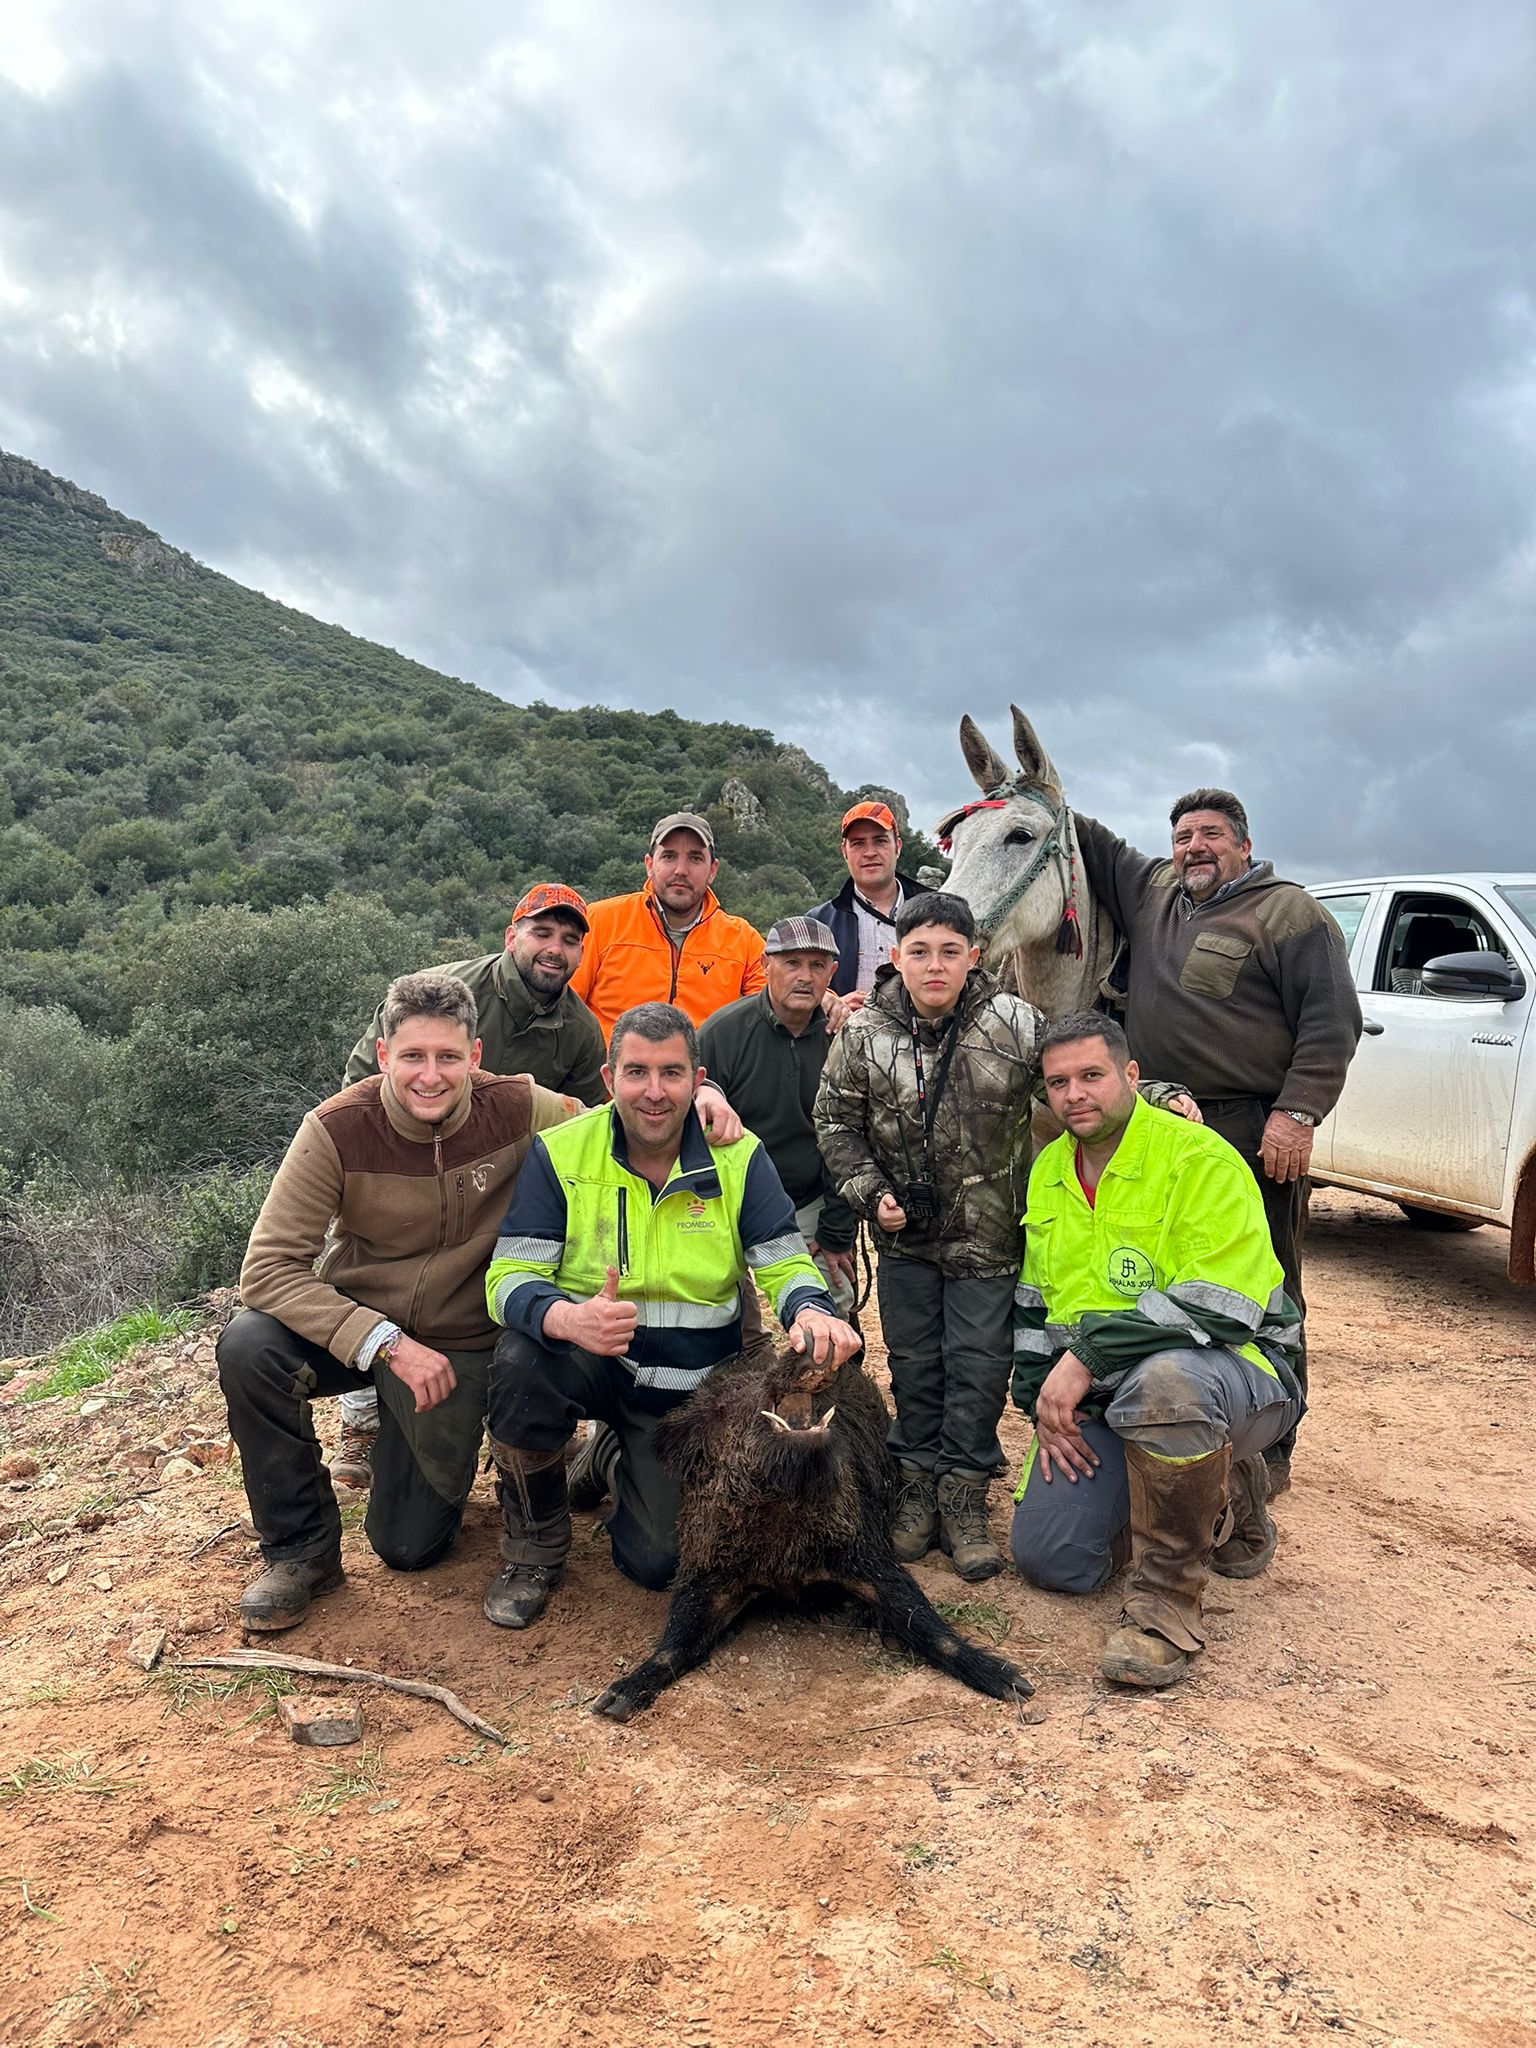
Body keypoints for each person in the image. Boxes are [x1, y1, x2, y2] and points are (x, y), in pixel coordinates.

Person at [214, 972, 582, 1631]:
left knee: (408, 1547)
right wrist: (382, 1341)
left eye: (448, 1057)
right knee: (250, 1346)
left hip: (463, 1341)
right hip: (365, 1327)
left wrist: (702, 1101)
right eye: (412, 1056)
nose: (430, 1076)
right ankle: (301, 1553)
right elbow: (267, 1270)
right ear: (384, 1055)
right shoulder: (335, 1128)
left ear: (475, 1056)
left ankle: (569, 1458)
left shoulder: (520, 1107)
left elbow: (620, 1127)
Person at [480, 1001, 861, 1629]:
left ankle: (610, 1457)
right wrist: (566, 1318)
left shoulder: (739, 1157)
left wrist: (811, 1310)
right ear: (610, 1080)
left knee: (658, 1564)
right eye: (636, 1072)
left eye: (671, 1073)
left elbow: (785, 1261)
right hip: (590, 1357)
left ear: (697, 1080)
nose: (654, 1092)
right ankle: (532, 1551)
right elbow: (507, 1279)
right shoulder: (562, 1152)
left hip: (689, 1391)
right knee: (520, 1362)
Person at [1072, 789, 1361, 1488]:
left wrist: (1297, 1113)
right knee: (1171, 1274)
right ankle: (1180, 1421)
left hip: (1248, 1130)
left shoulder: (1290, 914)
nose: (1193, 848)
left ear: (1244, 846)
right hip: (1156, 1124)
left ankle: (1273, 1447)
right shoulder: (1155, 893)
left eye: (1210, 835)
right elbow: (1089, 840)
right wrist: (1027, 792)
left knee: (1266, 1285)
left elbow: (1332, 1023)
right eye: (1182, 837)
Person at [1009, 1013, 1304, 1690]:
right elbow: (1033, 1305)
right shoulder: (1050, 1168)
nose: (1075, 1095)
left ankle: (1166, 1607)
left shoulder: (1199, 1159)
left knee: (1168, 1385)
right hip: (1114, 1395)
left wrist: (1086, 1358)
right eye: (1058, 1083)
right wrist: (1042, 1406)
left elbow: (1220, 1307)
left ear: (1131, 1075)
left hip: (1242, 1376)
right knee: (1054, 1560)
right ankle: (1216, 1490)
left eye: (1092, 1075)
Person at [332, 883, 606, 1492]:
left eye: (569, 939)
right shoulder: (445, 993)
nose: (554, 948)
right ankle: (362, 1420)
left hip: (504, 1178)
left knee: (525, 1276)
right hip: (403, 1155)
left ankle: (527, 1421)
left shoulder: (580, 1030)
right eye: (541, 932)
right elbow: (362, 1079)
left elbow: (590, 1120)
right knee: (373, 1263)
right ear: (512, 937)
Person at [698, 916, 859, 1316]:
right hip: (727, 1197)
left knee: (831, 1301)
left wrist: (837, 1231)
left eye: (817, 965)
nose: (805, 977)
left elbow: (856, 1138)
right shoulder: (722, 1033)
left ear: (832, 973)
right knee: (712, 1310)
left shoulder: (847, 1039)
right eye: (792, 963)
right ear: (766, 965)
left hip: (810, 1197)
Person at [567, 812, 767, 1042]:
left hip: (703, 1065)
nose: (681, 870)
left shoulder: (743, 940)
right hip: (611, 1064)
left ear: (712, 870)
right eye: (669, 856)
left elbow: (775, 1012)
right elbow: (564, 1007)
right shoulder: (600, 921)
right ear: (649, 865)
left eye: (695, 858)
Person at [807, 801, 925, 1003]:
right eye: (858, 843)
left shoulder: (936, 914)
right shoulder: (819, 922)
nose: (870, 852)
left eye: (880, 841)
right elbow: (802, 985)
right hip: (849, 1024)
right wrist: (833, 1003)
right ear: (844, 851)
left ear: (897, 847)